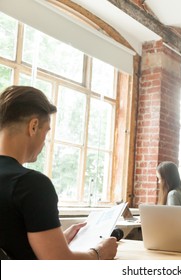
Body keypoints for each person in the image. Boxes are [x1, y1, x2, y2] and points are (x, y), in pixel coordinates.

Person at [0, 85, 118, 259]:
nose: (44, 142)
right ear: (33, 126)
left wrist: (58, 239)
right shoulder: (30, 184)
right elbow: (60, 264)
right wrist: (99, 253)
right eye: (46, 132)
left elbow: (11, 243)